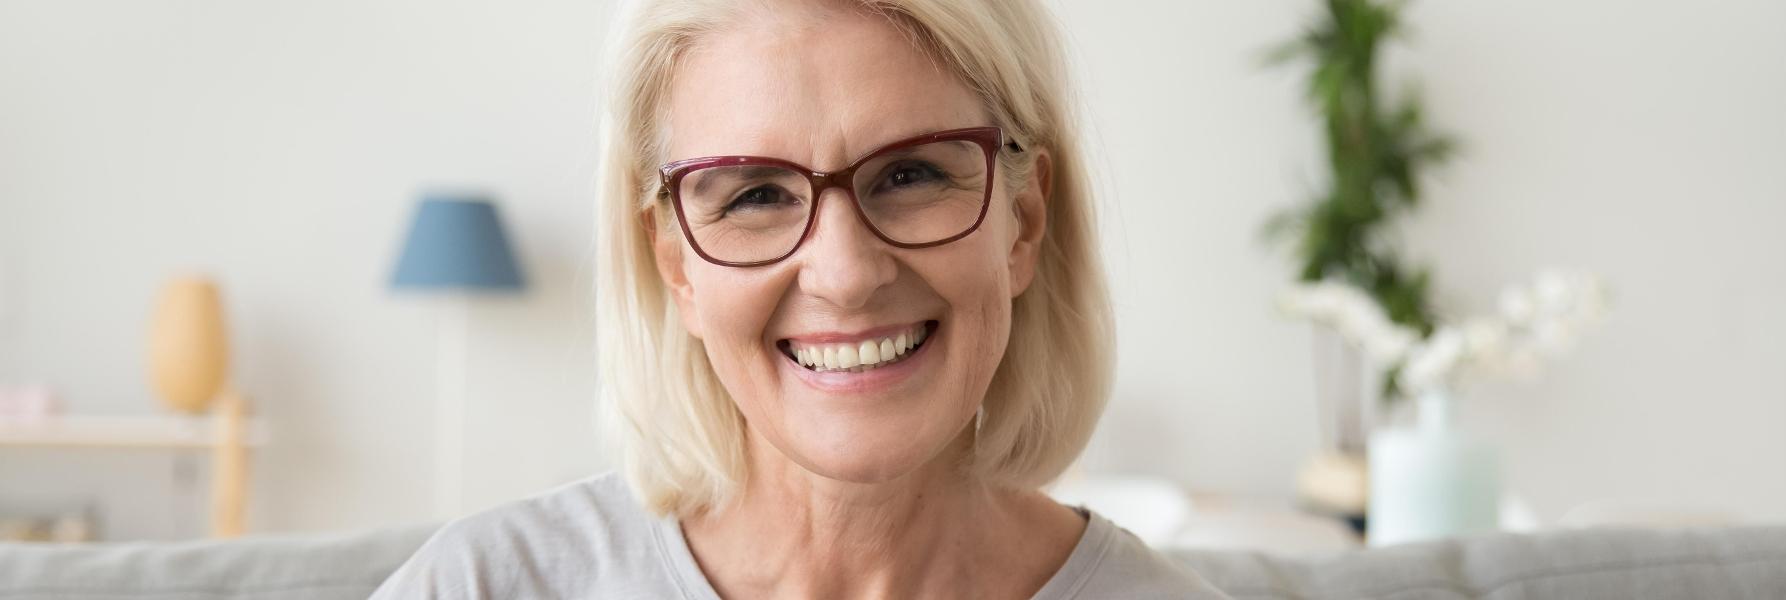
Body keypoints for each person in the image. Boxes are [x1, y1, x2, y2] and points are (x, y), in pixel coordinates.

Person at [373, 0, 1229, 597]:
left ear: (1023, 224)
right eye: (753, 195)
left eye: (912, 173)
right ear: (674, 263)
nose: (846, 273)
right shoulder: (482, 587)